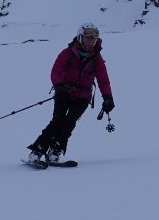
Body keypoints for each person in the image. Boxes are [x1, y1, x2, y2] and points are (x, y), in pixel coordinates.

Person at [28, 22, 114, 161]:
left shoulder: (97, 59)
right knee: (57, 121)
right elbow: (56, 72)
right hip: (64, 93)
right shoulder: (67, 53)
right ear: (80, 37)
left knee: (69, 122)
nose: (91, 40)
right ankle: (38, 149)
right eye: (88, 37)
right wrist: (59, 86)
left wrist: (108, 97)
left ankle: (57, 149)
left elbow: (103, 79)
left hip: (83, 97)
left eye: (94, 38)